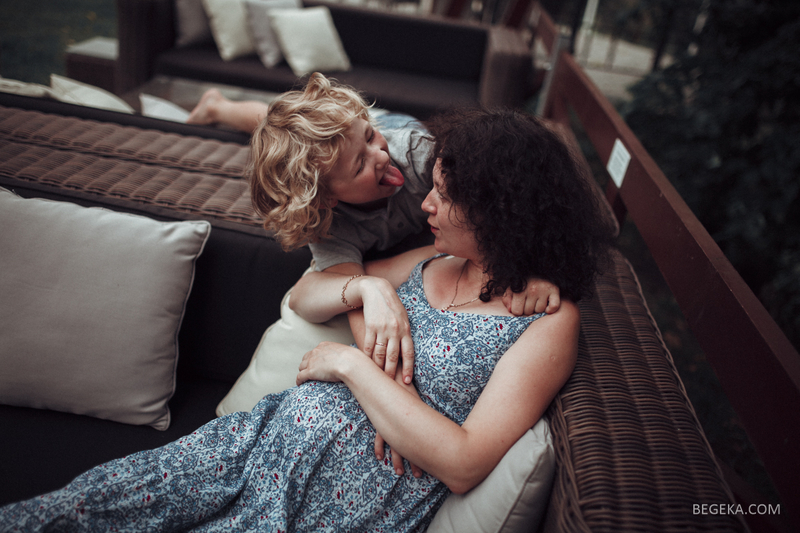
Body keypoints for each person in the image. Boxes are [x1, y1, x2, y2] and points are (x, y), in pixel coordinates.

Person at [0, 108, 614, 532]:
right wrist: (370, 292)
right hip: (255, 443)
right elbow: (308, 292)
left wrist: (350, 365)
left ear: (502, 210)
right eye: (433, 188)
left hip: (348, 500)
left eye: (446, 195)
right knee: (84, 508)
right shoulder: (435, 259)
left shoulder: (549, 322)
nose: (426, 202)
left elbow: (463, 462)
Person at [192, 74, 562, 387]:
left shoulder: (415, 154)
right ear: (327, 199)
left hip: (394, 123)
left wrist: (530, 270)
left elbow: (498, 210)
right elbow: (345, 291)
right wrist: (385, 357)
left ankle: (232, 109)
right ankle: (218, 108)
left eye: (370, 138)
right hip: (340, 152)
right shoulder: (330, 225)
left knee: (305, 128)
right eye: (360, 166)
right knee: (271, 123)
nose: (381, 157)